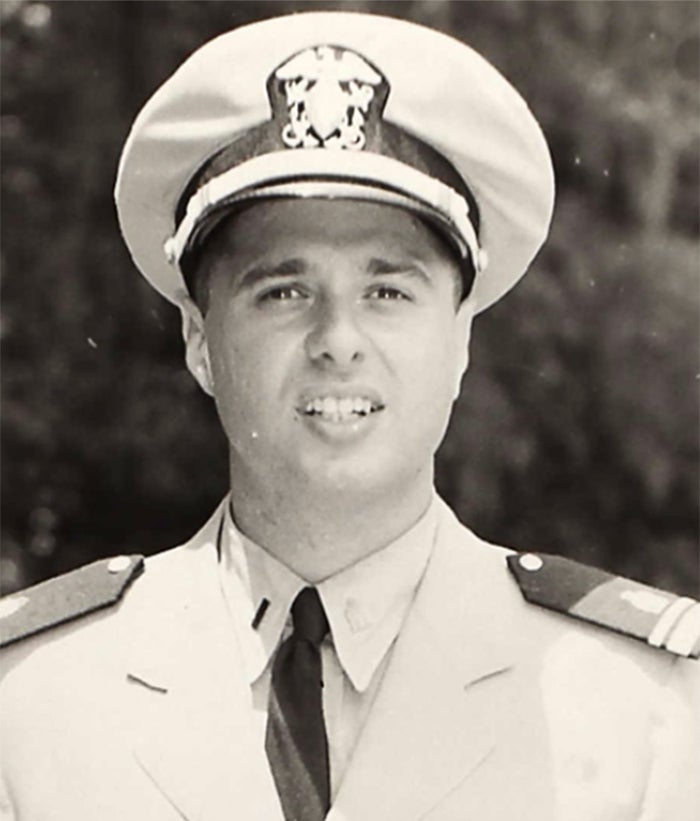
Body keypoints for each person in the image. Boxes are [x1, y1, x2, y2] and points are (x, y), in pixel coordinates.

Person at [0, 11, 698, 821]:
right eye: (284, 291)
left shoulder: (643, 709)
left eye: (388, 291)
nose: (338, 341)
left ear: (460, 338)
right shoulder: (34, 699)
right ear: (200, 339)